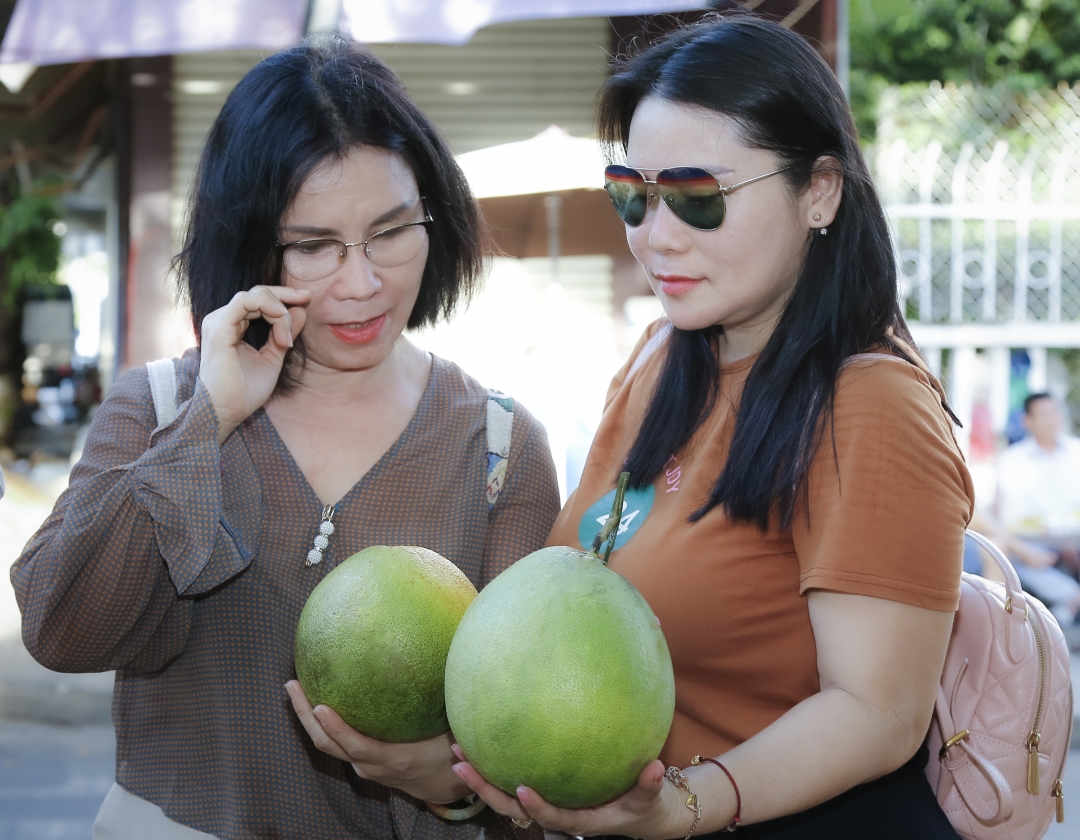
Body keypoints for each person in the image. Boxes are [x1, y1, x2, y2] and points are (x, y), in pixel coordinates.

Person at [11, 35, 560, 840]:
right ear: (251, 246)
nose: (362, 282)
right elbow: (64, 630)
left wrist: (448, 779)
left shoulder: (498, 451)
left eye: (391, 231)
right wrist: (210, 420)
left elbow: (529, 745)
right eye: (313, 246)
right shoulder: (160, 406)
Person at [451, 15, 972, 839]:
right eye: (632, 194)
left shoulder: (870, 407)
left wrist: (684, 806)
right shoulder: (660, 360)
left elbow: (878, 711)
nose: (654, 236)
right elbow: (561, 607)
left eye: (696, 198)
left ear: (820, 191)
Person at [989, 392, 1080, 624]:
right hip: (1034, 541)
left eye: (1055, 412)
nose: (1052, 419)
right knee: (1008, 553)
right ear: (1027, 421)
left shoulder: (1076, 451)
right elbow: (1011, 514)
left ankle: (1067, 606)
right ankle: (1071, 599)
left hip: (1075, 537)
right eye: (1044, 414)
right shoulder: (1013, 460)